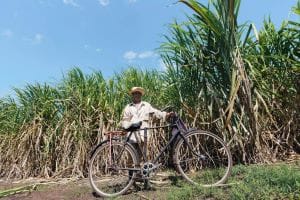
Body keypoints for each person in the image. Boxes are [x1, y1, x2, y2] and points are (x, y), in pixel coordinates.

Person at [120, 86, 173, 189]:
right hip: (132, 136)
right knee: (131, 160)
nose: (137, 95)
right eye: (135, 93)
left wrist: (166, 114)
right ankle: (131, 183)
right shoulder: (128, 107)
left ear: (141, 95)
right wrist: (126, 127)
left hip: (144, 135)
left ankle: (145, 182)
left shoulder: (146, 105)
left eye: (138, 93)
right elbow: (125, 120)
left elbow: (156, 113)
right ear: (132, 95)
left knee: (144, 159)